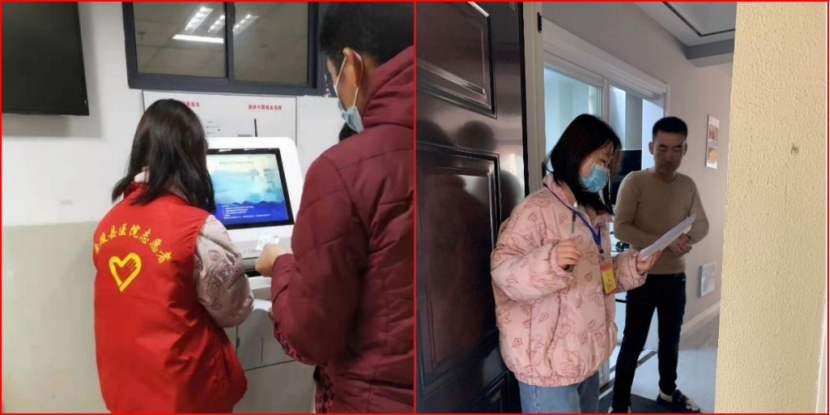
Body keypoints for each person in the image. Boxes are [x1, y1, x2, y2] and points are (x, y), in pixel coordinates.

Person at [254, 2, 414, 413]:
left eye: (333, 79)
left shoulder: (340, 170)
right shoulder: (456, 148)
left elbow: (309, 336)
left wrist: (281, 266)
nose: (339, 95)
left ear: (351, 64)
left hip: (370, 400)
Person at [491, 114, 661, 413]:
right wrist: (550, 262)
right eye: (601, 160)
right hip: (547, 365)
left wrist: (634, 266)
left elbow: (599, 277)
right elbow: (505, 276)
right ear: (576, 152)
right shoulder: (535, 210)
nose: (604, 170)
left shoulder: (591, 213)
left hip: (585, 356)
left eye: (608, 163)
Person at [92, 99, 253, 413]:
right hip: (187, 394)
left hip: (125, 390)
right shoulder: (199, 230)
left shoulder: (107, 225)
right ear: (194, 156)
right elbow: (235, 311)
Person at [611, 116, 709, 413]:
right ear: (652, 147)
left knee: (670, 342)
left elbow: (702, 224)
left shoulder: (687, 185)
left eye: (677, 148)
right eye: (663, 148)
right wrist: (667, 242)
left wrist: (687, 238)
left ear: (685, 149)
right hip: (641, 277)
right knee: (632, 343)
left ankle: (667, 393)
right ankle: (619, 405)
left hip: (674, 278)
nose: (669, 156)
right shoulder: (635, 182)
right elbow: (621, 228)